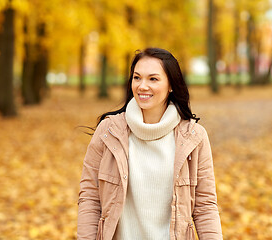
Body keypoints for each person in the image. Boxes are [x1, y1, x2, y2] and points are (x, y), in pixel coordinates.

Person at [77, 47, 223, 240]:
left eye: (153, 79)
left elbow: (205, 206)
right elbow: (90, 197)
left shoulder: (194, 137)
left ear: (171, 84)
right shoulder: (108, 131)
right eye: (137, 78)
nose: (142, 86)